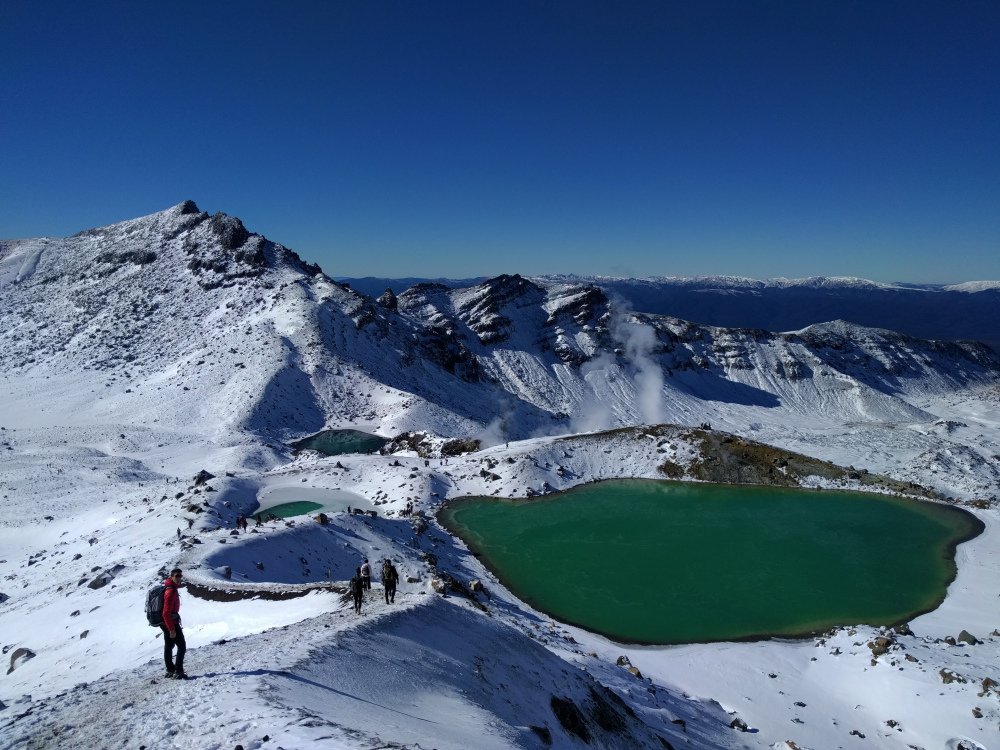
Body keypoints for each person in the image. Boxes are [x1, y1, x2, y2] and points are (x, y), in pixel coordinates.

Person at [161, 568, 187, 679]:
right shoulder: (171, 592)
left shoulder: (169, 588)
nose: (179, 578)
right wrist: (171, 629)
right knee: (181, 646)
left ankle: (170, 670)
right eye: (176, 576)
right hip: (170, 623)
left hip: (165, 623)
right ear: (171, 577)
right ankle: (178, 671)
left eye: (180, 576)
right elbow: (166, 613)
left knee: (169, 645)